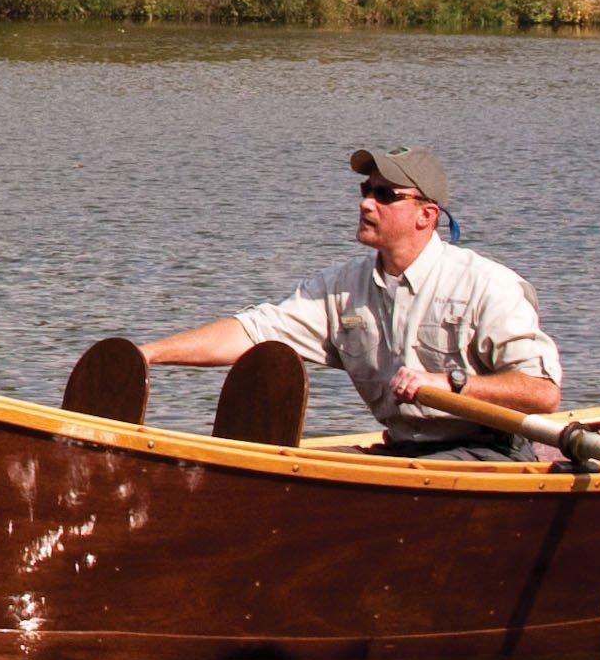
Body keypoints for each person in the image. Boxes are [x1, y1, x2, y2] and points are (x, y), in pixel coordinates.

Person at [144, 148, 564, 459]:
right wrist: (149, 354)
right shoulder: (343, 287)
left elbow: (543, 394)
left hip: (487, 452)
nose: (366, 203)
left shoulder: (488, 286)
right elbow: (253, 332)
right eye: (366, 190)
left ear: (426, 215)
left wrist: (451, 384)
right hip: (400, 451)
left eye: (385, 195)